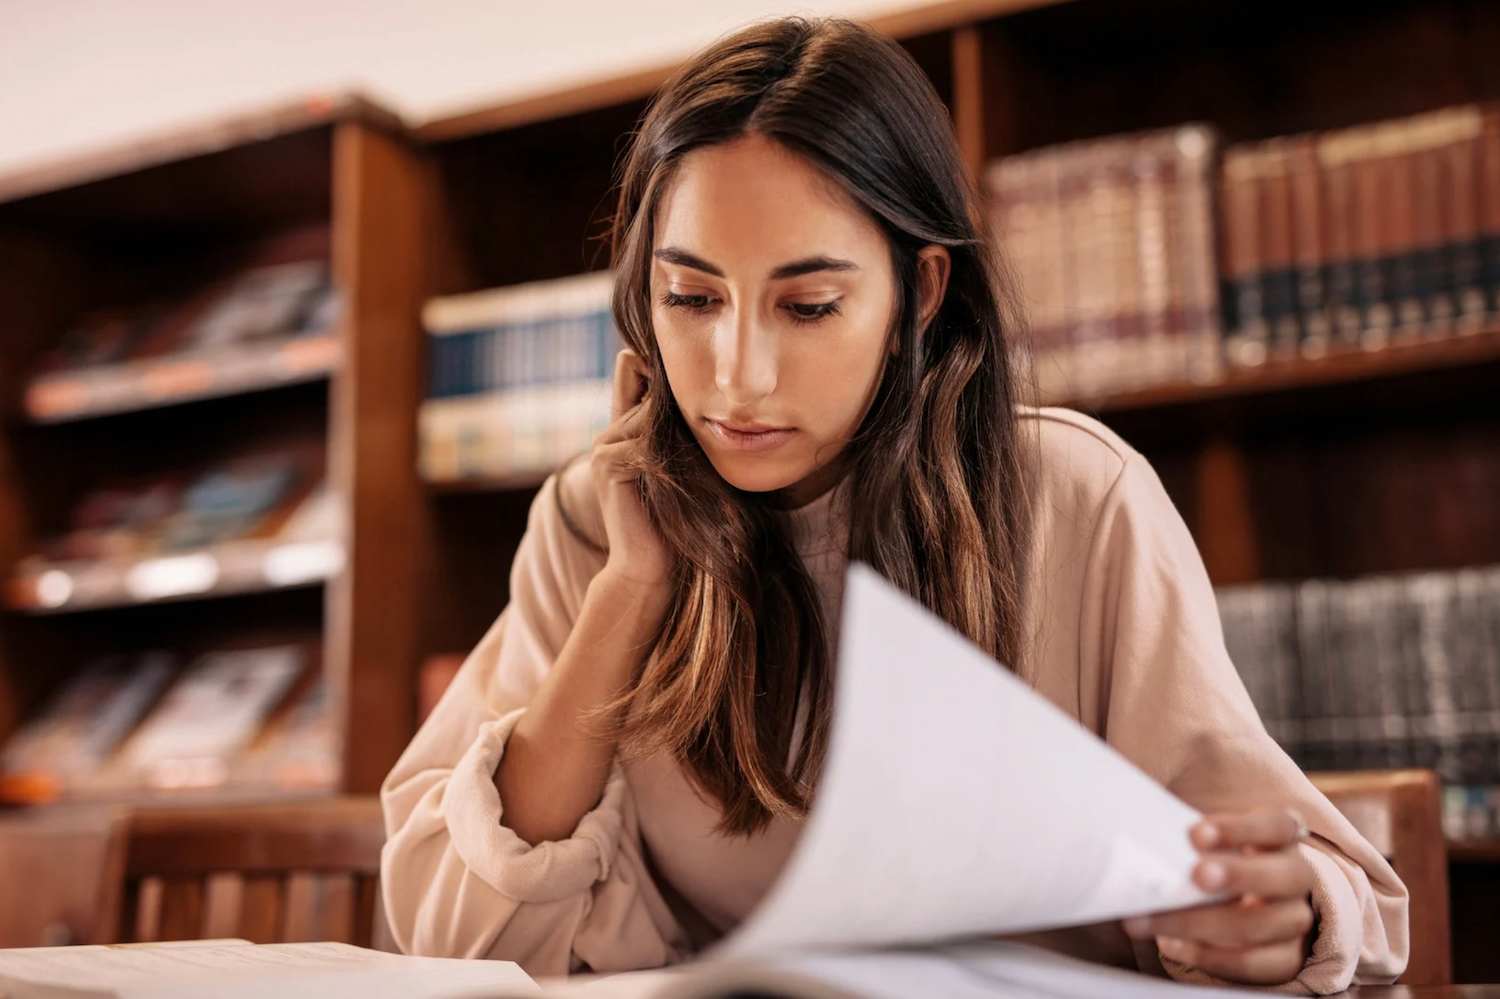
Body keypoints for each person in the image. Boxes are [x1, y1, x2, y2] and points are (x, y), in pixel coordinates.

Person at [379, 15, 1408, 993]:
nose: (736, 377)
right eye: (690, 299)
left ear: (917, 292)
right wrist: (631, 590)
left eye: (809, 306)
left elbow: (1308, 891)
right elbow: (460, 931)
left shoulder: (1077, 500)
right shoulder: (595, 522)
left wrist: (1275, 918)